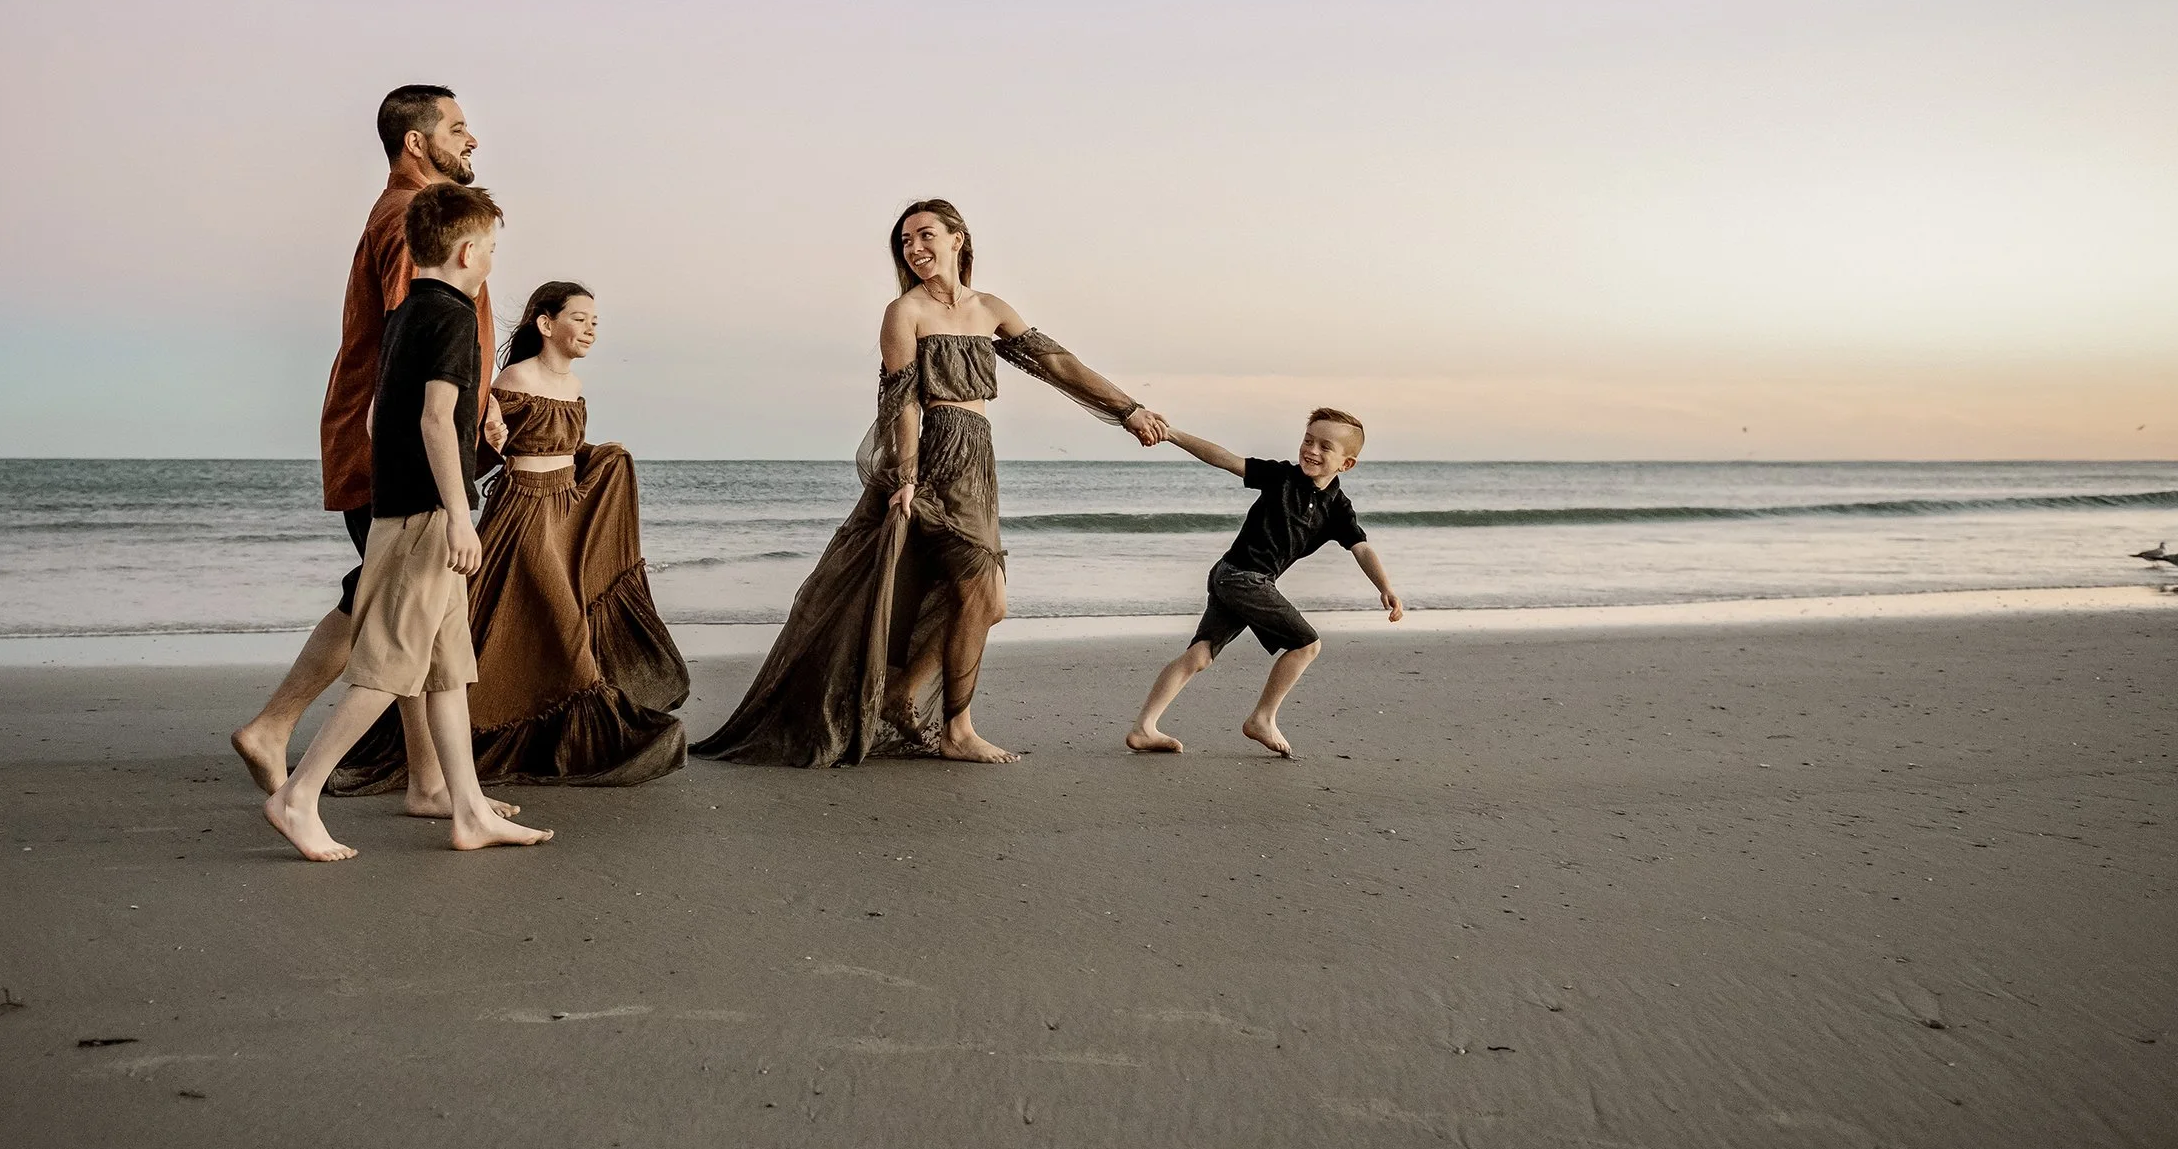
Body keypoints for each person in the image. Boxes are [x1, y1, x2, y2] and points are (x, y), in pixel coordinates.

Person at [695, 199, 1167, 767]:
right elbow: (903, 402)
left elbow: (1058, 364)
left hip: (978, 459)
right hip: (937, 454)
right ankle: (956, 729)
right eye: (905, 242)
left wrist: (1128, 410)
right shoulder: (904, 313)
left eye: (924, 236)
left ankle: (901, 695)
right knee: (983, 593)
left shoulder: (990, 308)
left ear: (957, 238)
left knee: (984, 603)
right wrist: (909, 475)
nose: (914, 250)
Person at [230, 85, 506, 816]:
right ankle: (276, 732)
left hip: (400, 447)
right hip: (396, 457)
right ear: (416, 143)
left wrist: (486, 408)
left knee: (410, 616)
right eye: (457, 127)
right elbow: (412, 340)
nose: (472, 139)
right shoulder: (409, 221)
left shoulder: (423, 214)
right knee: (385, 609)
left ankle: (429, 783)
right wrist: (453, 486)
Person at [263, 183, 553, 861]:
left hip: (402, 508)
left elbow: (375, 417)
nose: (491, 263)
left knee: (447, 670)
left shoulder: (404, 315)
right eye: (489, 250)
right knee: (387, 670)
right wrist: (459, 516)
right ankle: (297, 796)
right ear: (464, 251)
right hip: (426, 517)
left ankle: (469, 809)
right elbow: (431, 420)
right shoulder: (452, 316)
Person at [329, 281, 690, 793]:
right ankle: (495, 744)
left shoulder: (576, 386)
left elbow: (566, 447)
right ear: (546, 324)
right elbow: (468, 438)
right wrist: (488, 426)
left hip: (562, 513)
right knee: (533, 627)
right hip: (522, 513)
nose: (590, 328)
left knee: (541, 626)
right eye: (580, 318)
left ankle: (533, 739)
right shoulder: (513, 379)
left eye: (595, 322)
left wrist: (601, 456)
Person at [1125, 409, 1402, 759]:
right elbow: (1226, 460)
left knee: (1201, 654)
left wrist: (1385, 587)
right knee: (1307, 645)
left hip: (1232, 577)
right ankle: (1262, 718)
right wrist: (1172, 434)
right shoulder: (1281, 477)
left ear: (1345, 464)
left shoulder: (1337, 508)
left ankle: (1143, 728)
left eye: (1324, 446)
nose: (1311, 450)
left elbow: (1360, 547)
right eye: (1307, 440)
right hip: (1242, 578)